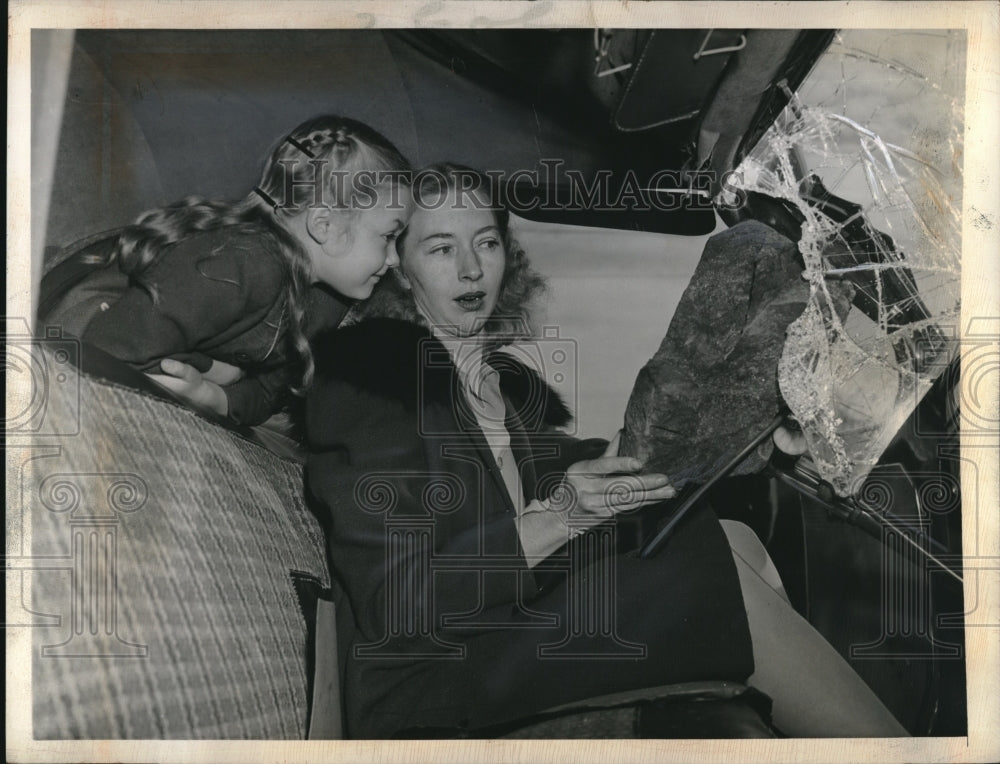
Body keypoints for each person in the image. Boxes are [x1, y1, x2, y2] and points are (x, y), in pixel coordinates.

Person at [304, 164, 908, 739]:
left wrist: (721, 430)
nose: (470, 270)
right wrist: (560, 518)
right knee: (710, 580)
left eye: (485, 243)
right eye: (440, 249)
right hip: (435, 681)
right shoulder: (366, 384)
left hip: (498, 623)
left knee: (728, 536)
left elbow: (573, 469)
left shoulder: (496, 386)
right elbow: (397, 603)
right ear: (401, 270)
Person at [39, 115, 412, 426]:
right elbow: (106, 349)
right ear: (325, 226)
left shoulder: (329, 301)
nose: (396, 260)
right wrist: (217, 371)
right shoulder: (241, 264)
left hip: (148, 342)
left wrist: (216, 396)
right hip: (82, 317)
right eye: (389, 236)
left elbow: (269, 393)